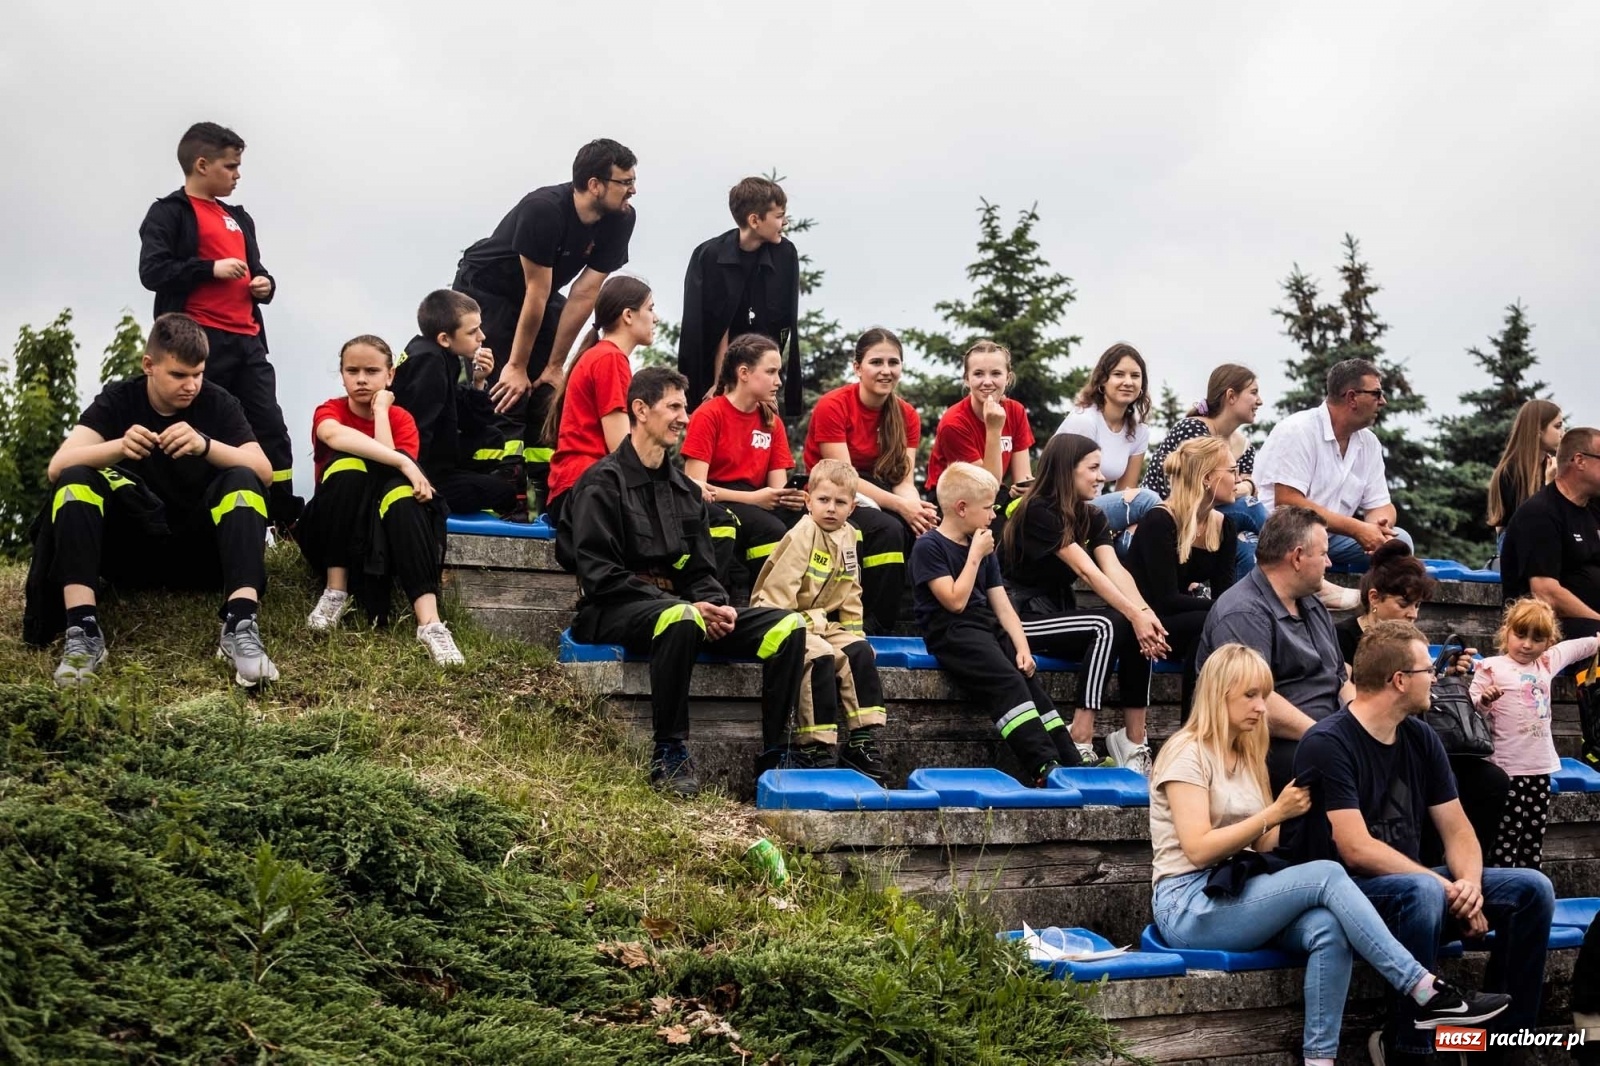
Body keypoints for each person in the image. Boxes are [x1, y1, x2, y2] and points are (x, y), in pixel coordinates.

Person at [1150, 644, 1510, 1066]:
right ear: (1218, 693)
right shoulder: (1186, 751)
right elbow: (1197, 849)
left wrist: (1308, 814)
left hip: (1235, 889)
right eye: (1250, 695)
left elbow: (1264, 845)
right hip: (1187, 902)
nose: (1262, 707)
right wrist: (1274, 813)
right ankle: (1423, 988)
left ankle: (1320, 1059)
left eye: (1264, 695)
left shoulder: (1247, 752)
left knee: (1328, 927)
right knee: (1326, 874)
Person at [1283, 620, 1555, 1065]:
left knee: (1532, 889)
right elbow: (1355, 849)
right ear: (1399, 680)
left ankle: (1503, 1049)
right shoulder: (1328, 742)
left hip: (1414, 893)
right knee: (1424, 889)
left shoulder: (1420, 735)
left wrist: (1469, 887)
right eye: (1428, 669)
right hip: (1348, 899)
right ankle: (1408, 1047)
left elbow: (1458, 829)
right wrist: (1445, 886)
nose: (1437, 676)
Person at [555, 367, 809, 795]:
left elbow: (701, 572)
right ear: (640, 410)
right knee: (681, 617)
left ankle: (775, 755)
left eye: (685, 407)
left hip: (682, 612)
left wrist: (719, 606)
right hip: (611, 609)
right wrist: (683, 605)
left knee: (787, 626)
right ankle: (669, 751)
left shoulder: (685, 491)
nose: (684, 418)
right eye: (674, 407)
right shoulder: (600, 482)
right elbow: (600, 575)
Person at [29, 314, 277, 687]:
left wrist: (206, 445)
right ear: (149, 365)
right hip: (130, 557)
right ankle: (83, 631)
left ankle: (240, 626)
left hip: (203, 558)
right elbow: (57, 467)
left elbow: (265, 471)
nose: (191, 385)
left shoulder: (218, 402)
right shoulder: (119, 398)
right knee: (75, 479)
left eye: (198, 374)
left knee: (243, 479)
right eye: (179, 375)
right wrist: (118, 447)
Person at [453, 139, 638, 513]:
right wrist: (516, 365)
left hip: (542, 294)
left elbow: (584, 293)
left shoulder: (621, 217)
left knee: (545, 390)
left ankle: (545, 495)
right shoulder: (544, 210)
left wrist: (555, 365)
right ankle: (502, 494)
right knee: (509, 388)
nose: (633, 190)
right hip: (489, 290)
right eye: (625, 182)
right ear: (594, 184)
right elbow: (534, 292)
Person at [137, 121, 300, 526]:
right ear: (202, 165)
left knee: (270, 428)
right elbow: (153, 271)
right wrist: (210, 268)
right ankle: (189, 518)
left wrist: (265, 284)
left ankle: (281, 521)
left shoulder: (239, 218)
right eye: (230, 166)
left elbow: (257, 270)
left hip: (249, 340)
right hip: (199, 345)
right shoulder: (168, 213)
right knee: (198, 427)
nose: (237, 175)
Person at [999, 433, 1168, 772]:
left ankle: (1133, 741)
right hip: (1016, 620)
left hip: (1056, 614)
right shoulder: (1038, 510)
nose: (1101, 477)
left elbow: (1113, 569)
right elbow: (1086, 571)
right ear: (1067, 470)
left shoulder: (1092, 516)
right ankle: (1080, 736)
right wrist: (1133, 613)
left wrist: (1145, 614)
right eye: (1092, 468)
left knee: (1134, 626)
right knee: (1109, 623)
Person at [1333, 540, 1509, 866]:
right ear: (1374, 598)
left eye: (1417, 606)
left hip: (1419, 734)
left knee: (1491, 781)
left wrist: (1442, 674)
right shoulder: (1342, 638)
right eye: (1404, 604)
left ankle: (1467, 867)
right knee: (1430, 782)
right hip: (1377, 740)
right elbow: (1354, 699)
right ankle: (1426, 867)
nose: (1413, 614)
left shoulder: (1408, 639)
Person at [911, 462, 1082, 786]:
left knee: (1029, 682)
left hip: (985, 625)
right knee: (1008, 682)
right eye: (988, 508)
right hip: (952, 632)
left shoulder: (982, 545)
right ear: (962, 508)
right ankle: (1043, 765)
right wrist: (974, 555)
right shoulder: (929, 546)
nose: (993, 516)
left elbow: (1002, 604)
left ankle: (1071, 759)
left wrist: (1022, 647)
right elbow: (955, 601)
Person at [297, 335, 462, 665]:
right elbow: (333, 435)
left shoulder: (401, 419)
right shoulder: (331, 410)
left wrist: (382, 411)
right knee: (347, 467)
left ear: (390, 376)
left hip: (387, 540)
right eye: (352, 371)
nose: (361, 379)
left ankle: (430, 624)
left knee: (401, 492)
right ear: (342, 375)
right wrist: (404, 461)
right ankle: (335, 591)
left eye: (371, 371)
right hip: (334, 533)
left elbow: (390, 469)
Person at [749, 459, 888, 783]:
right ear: (808, 500)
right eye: (823, 500)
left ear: (852, 507)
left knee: (858, 651)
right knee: (819, 655)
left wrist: (857, 635)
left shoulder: (850, 536)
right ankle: (814, 746)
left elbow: (851, 593)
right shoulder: (803, 533)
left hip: (821, 622)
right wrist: (797, 630)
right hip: (784, 620)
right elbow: (779, 592)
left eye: (840, 502)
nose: (831, 508)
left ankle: (860, 740)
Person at [1197, 506, 1351, 794]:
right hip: (1269, 747)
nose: (1329, 563)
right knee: (1342, 768)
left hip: (1327, 734)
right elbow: (1253, 699)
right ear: (1297, 557)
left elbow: (1341, 677)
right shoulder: (1242, 613)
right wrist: (1325, 738)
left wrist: (1361, 726)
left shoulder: (1312, 604)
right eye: (1323, 554)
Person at [802, 328, 936, 632]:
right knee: (888, 529)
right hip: (836, 490)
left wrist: (916, 511)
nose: (886, 370)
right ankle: (875, 622)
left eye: (893, 362)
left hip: (881, 490)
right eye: (876, 362)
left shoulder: (907, 415)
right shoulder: (833, 405)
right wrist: (901, 506)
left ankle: (921, 619)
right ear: (857, 367)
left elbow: (903, 481)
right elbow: (844, 477)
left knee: (926, 528)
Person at [1472, 598, 1598, 869]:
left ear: (1548, 642)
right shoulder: (1491, 666)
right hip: (1507, 768)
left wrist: (1597, 641)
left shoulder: (1545, 663)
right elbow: (1472, 709)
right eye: (1520, 635)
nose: (1527, 645)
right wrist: (1485, 700)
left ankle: (1531, 882)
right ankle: (1506, 884)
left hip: (1539, 768)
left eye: (1537, 639)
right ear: (1507, 631)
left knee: (1533, 836)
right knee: (1506, 837)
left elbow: (1576, 648)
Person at [1253, 358, 1412, 572]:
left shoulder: (1369, 442)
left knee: (1399, 543)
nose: (1383, 401)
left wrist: (1377, 529)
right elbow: (1288, 502)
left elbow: (1380, 504)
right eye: (1376, 393)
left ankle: (1371, 592)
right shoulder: (1298, 430)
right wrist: (1356, 528)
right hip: (1284, 536)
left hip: (1330, 538)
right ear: (1352, 397)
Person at [1125, 437, 1239, 714]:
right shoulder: (1160, 521)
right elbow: (1165, 600)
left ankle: (1199, 725)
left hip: (1186, 623)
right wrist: (1225, 609)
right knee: (1212, 622)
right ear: (1207, 478)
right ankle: (1194, 725)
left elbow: (1225, 592)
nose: (1239, 479)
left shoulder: (1224, 526)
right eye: (1232, 471)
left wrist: (1228, 609)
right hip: (1147, 624)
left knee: (1211, 631)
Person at [681, 333, 804, 583]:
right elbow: (694, 487)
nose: (778, 381)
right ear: (744, 373)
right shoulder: (709, 414)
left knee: (808, 522)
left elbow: (777, 488)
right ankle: (759, 597)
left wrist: (791, 498)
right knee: (770, 529)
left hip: (757, 501)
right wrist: (755, 499)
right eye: (770, 372)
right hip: (719, 501)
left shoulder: (773, 423)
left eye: (779, 372)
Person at [678, 176, 801, 415]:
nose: (785, 222)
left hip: (762, 366)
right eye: (779, 216)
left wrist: (767, 385)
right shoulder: (709, 256)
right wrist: (720, 384)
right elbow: (716, 326)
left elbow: (781, 325)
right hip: (717, 370)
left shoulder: (785, 254)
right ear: (755, 220)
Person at [392, 289, 520, 518]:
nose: (482, 336)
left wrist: (478, 382)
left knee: (492, 437)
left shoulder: (439, 355)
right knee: (503, 493)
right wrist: (417, 483)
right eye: (472, 332)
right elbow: (417, 429)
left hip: (436, 458)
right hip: (418, 472)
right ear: (444, 338)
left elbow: (471, 421)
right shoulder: (429, 362)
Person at [543, 276, 655, 527]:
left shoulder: (600, 355)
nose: (655, 318)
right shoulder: (610, 359)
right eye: (650, 308)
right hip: (588, 490)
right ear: (628, 315)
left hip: (579, 488)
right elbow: (620, 448)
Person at [1142, 363, 1266, 574]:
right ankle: (1294, 551)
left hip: (1208, 514)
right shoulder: (1193, 429)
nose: (1260, 401)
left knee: (1248, 543)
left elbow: (1240, 487)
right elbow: (1202, 490)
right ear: (1231, 396)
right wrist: (1247, 486)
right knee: (1250, 508)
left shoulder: (1245, 446)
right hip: (1170, 514)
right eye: (1253, 392)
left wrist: (1247, 486)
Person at [1054, 342, 1162, 552]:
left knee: (1136, 533)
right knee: (1147, 500)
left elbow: (1125, 493)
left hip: (1095, 510)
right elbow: (1066, 485)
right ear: (1102, 381)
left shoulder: (1139, 431)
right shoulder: (1085, 420)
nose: (1128, 382)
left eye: (1135, 376)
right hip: (1064, 509)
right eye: (1119, 374)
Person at [1500, 426, 1600, 642]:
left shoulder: (1593, 508)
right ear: (1580, 461)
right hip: (1550, 632)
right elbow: (1546, 593)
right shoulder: (1540, 513)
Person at [924, 340, 1034, 494]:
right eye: (978, 374)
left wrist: (1022, 493)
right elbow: (986, 488)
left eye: (996, 373)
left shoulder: (1016, 411)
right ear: (967, 379)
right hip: (951, 498)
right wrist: (994, 429)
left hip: (992, 495)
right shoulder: (953, 423)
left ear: (1008, 378)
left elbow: (1023, 479)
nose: (987, 382)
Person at [1486, 399, 1564, 555]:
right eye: (1557, 426)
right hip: (1518, 545)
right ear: (1538, 430)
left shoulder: (1552, 466)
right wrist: (1549, 485)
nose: (1563, 432)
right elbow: (1529, 523)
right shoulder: (1511, 471)